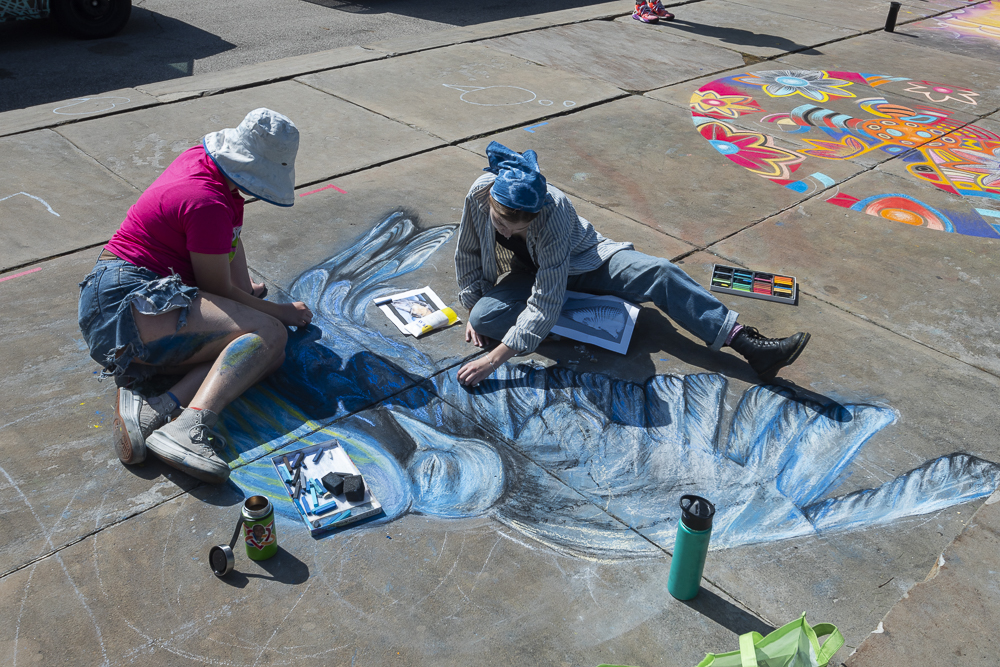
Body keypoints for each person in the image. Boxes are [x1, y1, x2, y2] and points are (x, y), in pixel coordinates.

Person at [77, 108, 313, 484]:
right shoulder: (207, 201)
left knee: (264, 354)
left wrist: (246, 293)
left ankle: (155, 408)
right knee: (270, 334)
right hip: (123, 307)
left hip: (133, 300)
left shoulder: (212, 170)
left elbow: (230, 239)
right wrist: (277, 311)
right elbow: (218, 288)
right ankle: (186, 428)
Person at [453, 141, 809, 388]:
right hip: (528, 276)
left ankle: (746, 343)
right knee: (485, 317)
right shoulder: (479, 193)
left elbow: (547, 297)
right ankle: (590, 316)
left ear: (536, 214)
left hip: (588, 263)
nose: (502, 231)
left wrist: (495, 360)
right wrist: (473, 307)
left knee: (660, 271)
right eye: (500, 225)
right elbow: (468, 252)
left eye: (515, 229)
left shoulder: (553, 211)